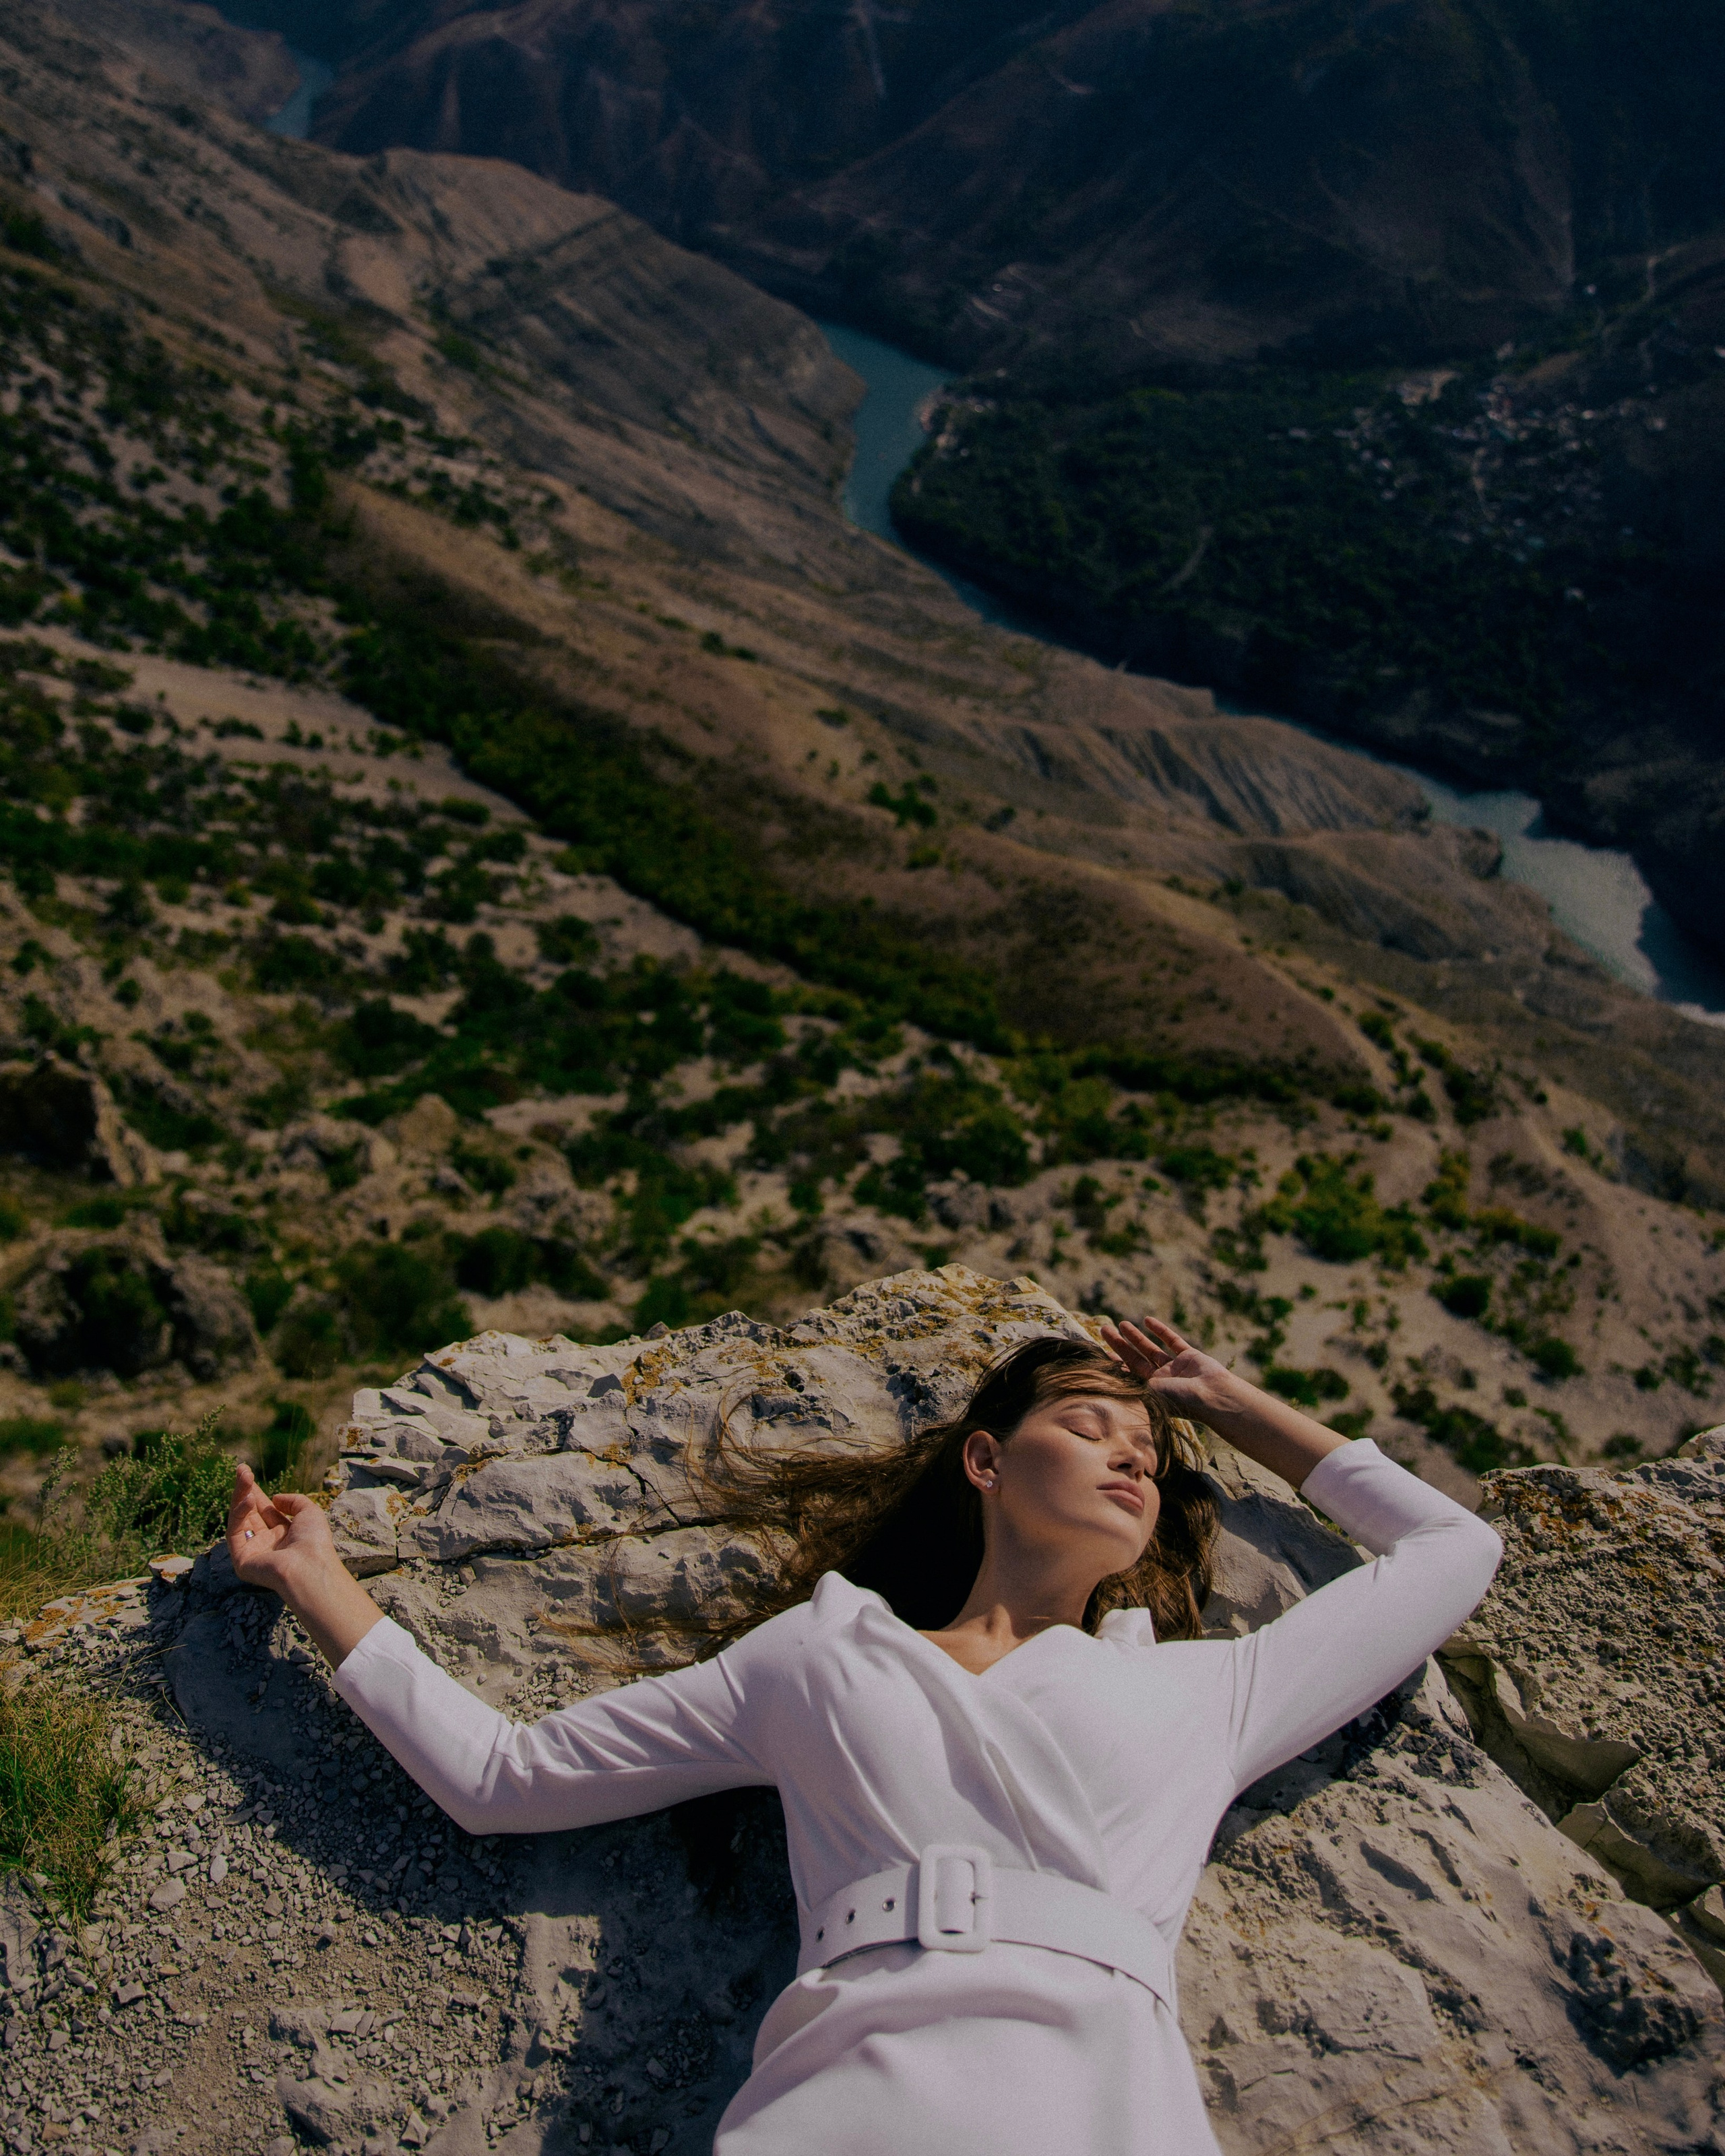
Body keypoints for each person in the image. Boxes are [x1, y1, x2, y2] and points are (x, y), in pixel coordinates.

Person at [227, 1314, 1501, 2156]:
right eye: (1090, 1429)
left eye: (1151, 1457)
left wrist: (1226, 1402)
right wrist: (315, 1578)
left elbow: (1454, 1550)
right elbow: (503, 1778)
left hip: (1104, 2108)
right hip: (847, 2105)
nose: (1134, 1462)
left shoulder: (1209, 1693)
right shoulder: (820, 1654)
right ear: (987, 1463)